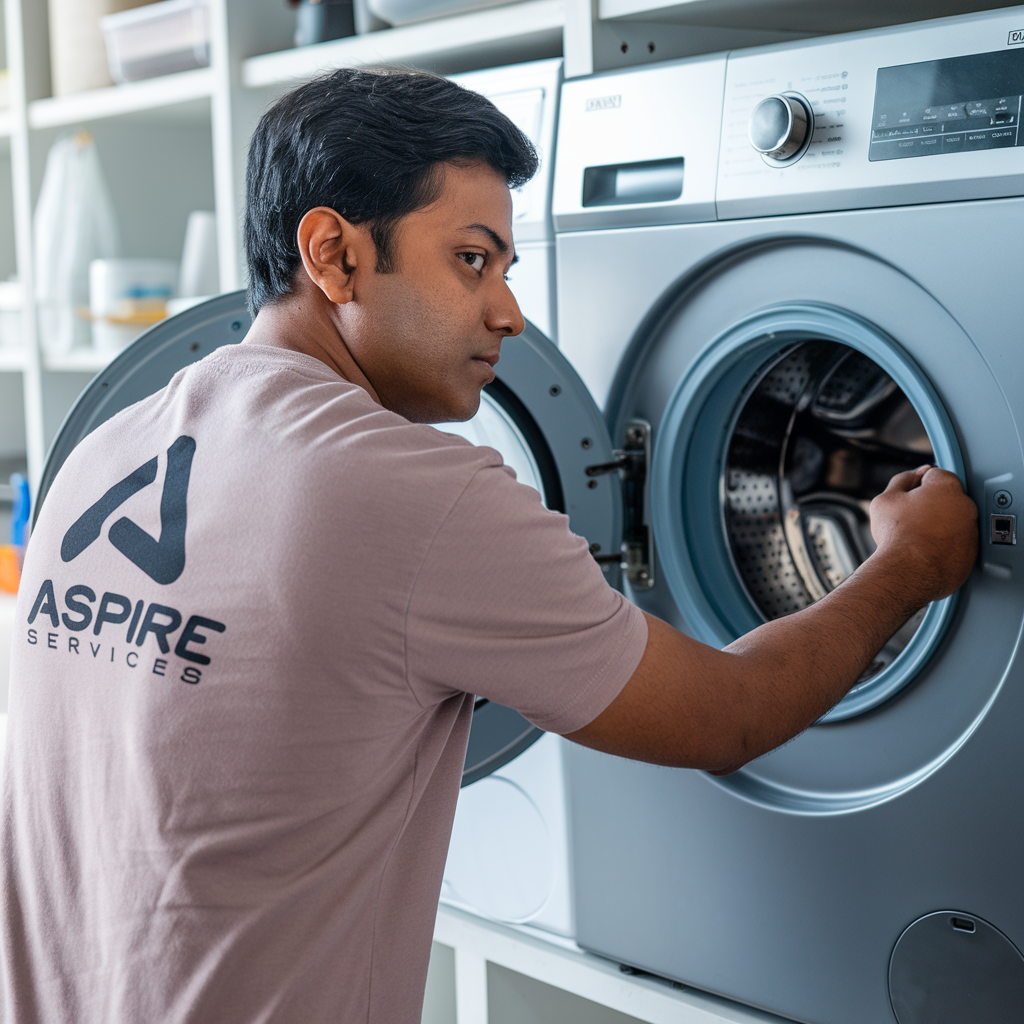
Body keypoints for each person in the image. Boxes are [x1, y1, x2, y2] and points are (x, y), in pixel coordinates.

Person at [1, 68, 977, 1024]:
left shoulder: (107, 446)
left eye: (507, 267)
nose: (507, 311)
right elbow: (728, 715)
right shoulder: (413, 498)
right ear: (334, 254)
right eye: (472, 260)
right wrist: (907, 564)